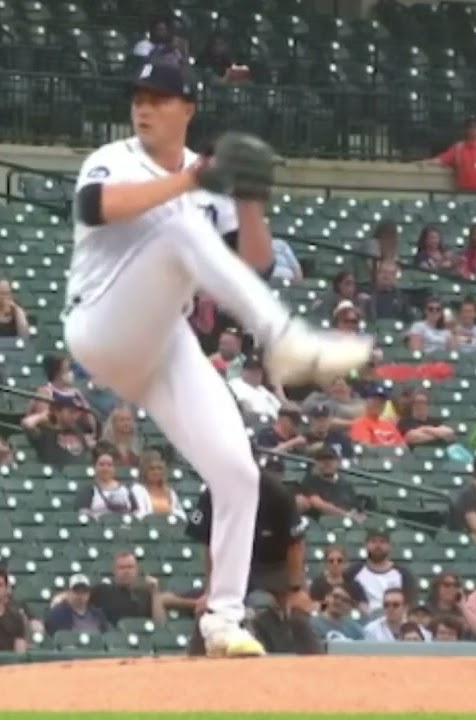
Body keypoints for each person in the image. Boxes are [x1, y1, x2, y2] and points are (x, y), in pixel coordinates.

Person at [63, 62, 372, 658]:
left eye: (160, 97)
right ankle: (284, 340)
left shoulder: (205, 182)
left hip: (166, 342)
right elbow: (94, 207)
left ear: (189, 107)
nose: (144, 106)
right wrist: (195, 180)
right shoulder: (116, 156)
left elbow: (251, 266)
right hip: (103, 323)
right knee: (179, 233)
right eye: (140, 96)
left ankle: (224, 619)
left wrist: (250, 200)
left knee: (237, 472)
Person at [185, 472, 322, 656]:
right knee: (210, 611)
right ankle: (192, 667)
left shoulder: (275, 492)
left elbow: (295, 542)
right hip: (234, 563)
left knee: (298, 614)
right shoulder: (215, 491)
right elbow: (212, 544)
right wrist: (211, 590)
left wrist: (296, 589)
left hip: (277, 562)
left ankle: (316, 663)